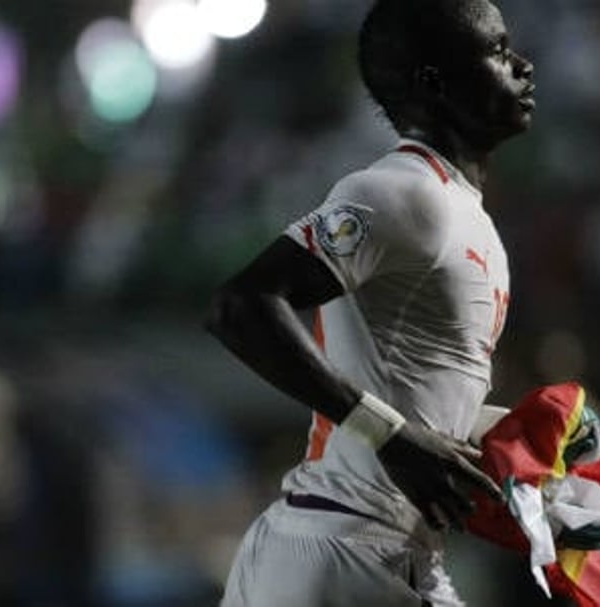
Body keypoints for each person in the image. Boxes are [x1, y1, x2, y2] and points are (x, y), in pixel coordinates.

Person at [206, 0, 535, 604]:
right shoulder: (403, 193)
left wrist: (522, 451)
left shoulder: (456, 208)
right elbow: (240, 305)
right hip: (350, 548)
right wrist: (388, 435)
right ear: (436, 82)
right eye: (496, 50)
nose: (522, 66)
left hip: (348, 546)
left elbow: (409, 394)